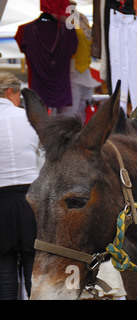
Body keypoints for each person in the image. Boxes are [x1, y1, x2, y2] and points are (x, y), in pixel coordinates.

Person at [0, 72, 40, 299]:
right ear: (10, 92)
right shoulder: (27, 117)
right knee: (33, 269)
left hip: (0, 200)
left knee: (4, 276)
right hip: (30, 199)